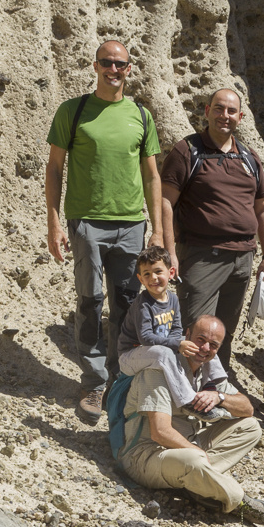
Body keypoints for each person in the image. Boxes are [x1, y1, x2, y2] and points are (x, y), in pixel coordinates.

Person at [45, 40, 163, 422]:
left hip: (131, 223)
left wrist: (157, 230)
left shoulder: (142, 116)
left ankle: (117, 382)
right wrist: (52, 220)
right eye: (107, 63)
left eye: (120, 64)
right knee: (90, 300)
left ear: (130, 69)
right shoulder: (73, 111)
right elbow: (54, 167)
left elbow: (151, 175)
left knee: (126, 306)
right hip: (87, 221)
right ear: (95, 66)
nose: (114, 70)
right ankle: (93, 383)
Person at [161, 88, 264, 375]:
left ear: (241, 116)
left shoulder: (249, 157)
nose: (225, 116)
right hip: (202, 256)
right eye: (219, 109)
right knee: (195, 329)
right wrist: (169, 252)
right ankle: (182, 391)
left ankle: (214, 389)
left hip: (242, 258)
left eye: (232, 111)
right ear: (208, 110)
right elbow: (165, 202)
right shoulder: (187, 151)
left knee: (223, 330)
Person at [119, 315, 264, 524]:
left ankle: (198, 482)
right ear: (187, 335)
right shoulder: (159, 370)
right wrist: (199, 454)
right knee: (195, 461)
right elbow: (160, 432)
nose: (205, 348)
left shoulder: (207, 373)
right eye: (200, 339)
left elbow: (247, 409)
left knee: (251, 427)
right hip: (146, 455)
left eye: (213, 345)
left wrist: (219, 397)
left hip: (188, 447)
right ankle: (237, 500)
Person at [117, 246, 226, 419]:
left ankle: (215, 384)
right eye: (146, 274)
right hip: (131, 356)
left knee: (203, 343)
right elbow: (145, 338)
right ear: (140, 279)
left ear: (171, 272)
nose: (153, 278)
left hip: (157, 350)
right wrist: (177, 345)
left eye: (158, 271)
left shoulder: (173, 299)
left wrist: (180, 344)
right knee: (165, 352)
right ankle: (190, 401)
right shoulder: (143, 304)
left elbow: (176, 328)